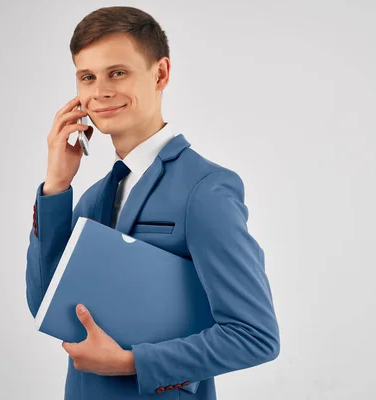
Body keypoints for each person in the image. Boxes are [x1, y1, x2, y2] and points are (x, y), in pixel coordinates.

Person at [25, 6, 280, 400]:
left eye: (118, 72)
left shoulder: (206, 189)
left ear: (160, 73)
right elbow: (46, 305)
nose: (100, 91)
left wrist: (131, 363)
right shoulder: (93, 198)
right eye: (87, 77)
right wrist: (57, 186)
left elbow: (255, 336)